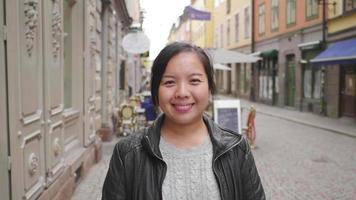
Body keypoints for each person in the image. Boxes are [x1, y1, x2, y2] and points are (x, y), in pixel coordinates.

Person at [102, 42, 265, 200]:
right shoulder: (128, 154)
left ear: (209, 88)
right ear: (156, 91)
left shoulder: (236, 150)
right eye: (169, 82)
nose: (182, 93)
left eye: (194, 80)